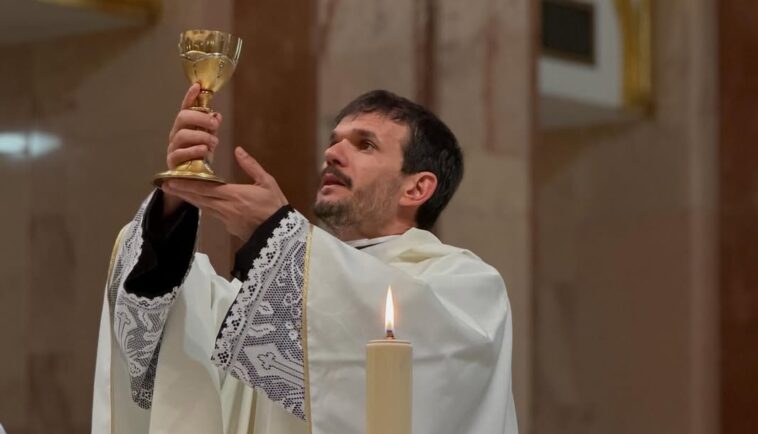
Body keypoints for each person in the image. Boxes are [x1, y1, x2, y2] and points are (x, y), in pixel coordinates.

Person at [92, 84, 518, 434]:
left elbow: (425, 381)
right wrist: (176, 205)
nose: (333, 153)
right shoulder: (264, 301)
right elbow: (173, 341)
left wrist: (273, 234)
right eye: (334, 141)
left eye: (365, 144)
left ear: (417, 188)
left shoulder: (465, 287)